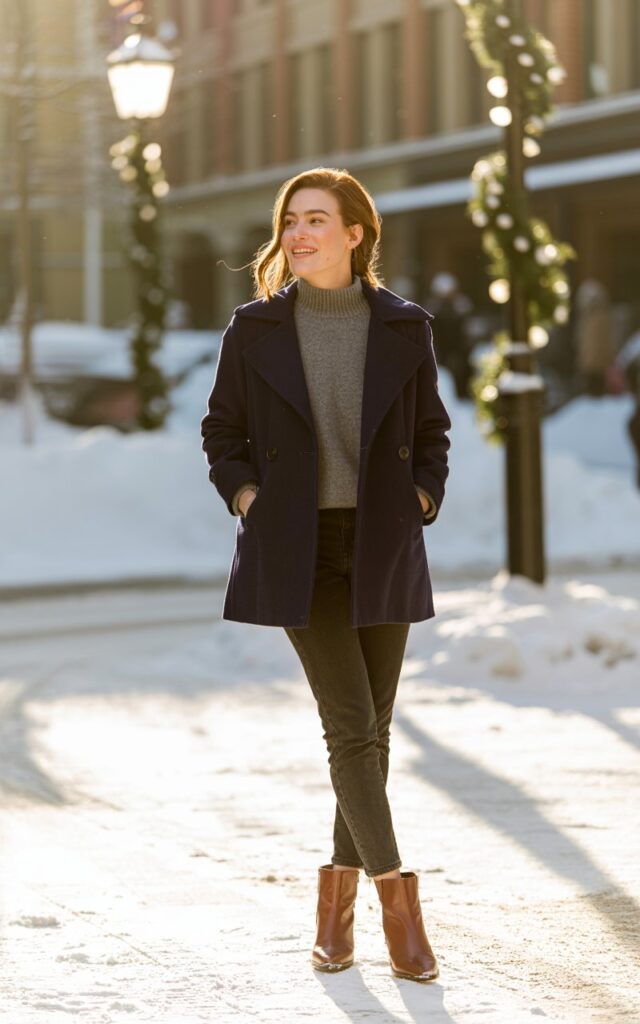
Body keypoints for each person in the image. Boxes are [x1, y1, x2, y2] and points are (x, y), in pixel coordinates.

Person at [200, 167, 452, 983]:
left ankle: (333, 916)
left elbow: (432, 432)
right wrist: (248, 496)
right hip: (297, 546)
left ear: (355, 233)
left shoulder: (406, 327)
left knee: (371, 732)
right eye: (290, 221)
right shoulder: (255, 329)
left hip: (382, 541)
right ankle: (400, 914)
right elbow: (222, 431)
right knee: (350, 726)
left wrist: (421, 495)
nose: (298, 234)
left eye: (316, 219)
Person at [424, 272, 474, 400]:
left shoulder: (461, 308)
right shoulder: (432, 311)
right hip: (440, 351)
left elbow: (465, 331)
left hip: (458, 351)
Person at [574, 279, 615, 397]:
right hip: (594, 359)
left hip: (595, 360)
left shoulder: (595, 317)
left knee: (595, 381)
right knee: (594, 381)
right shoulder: (590, 317)